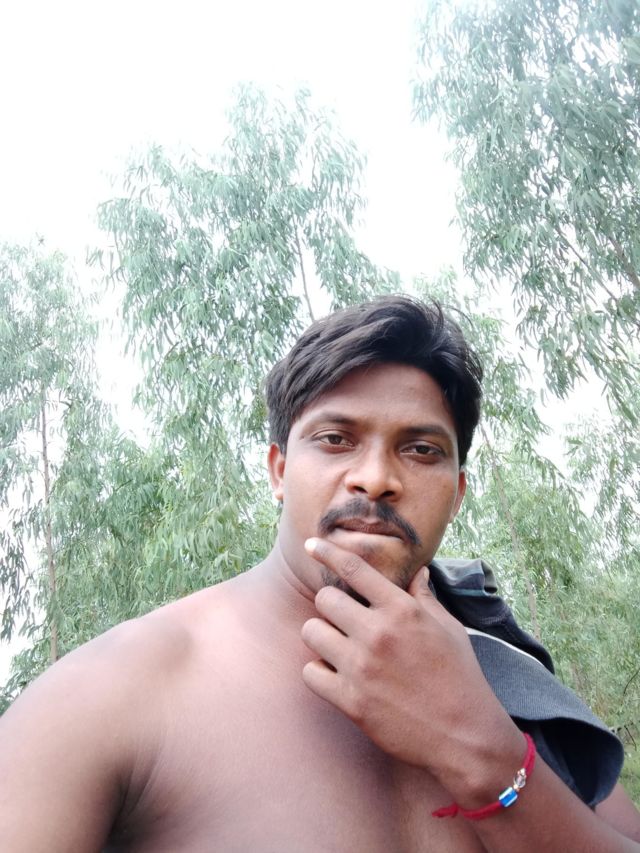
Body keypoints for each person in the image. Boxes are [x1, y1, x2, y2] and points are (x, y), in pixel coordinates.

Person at [0, 295, 639, 852]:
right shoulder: (109, 694)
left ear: (458, 493)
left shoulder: (512, 681)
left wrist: (482, 750)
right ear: (279, 471)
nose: (377, 479)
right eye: (336, 439)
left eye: (421, 450)